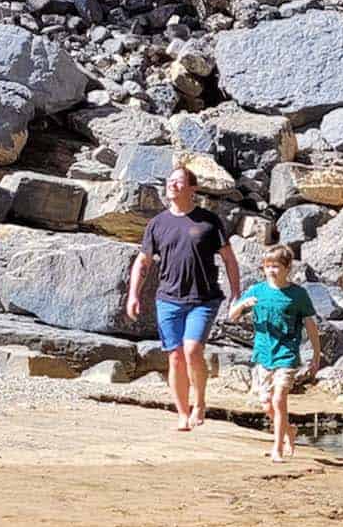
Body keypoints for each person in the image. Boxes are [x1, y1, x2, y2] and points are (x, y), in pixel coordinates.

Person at [127, 167, 240, 431]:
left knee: (192, 350)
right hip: (168, 298)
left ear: (193, 189)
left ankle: (199, 403)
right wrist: (134, 294)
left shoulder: (209, 222)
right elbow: (142, 262)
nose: (173, 186)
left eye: (179, 182)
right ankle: (182, 412)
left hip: (204, 298)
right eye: (170, 182)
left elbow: (229, 259)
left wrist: (236, 293)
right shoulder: (158, 223)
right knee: (175, 356)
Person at [228, 245, 323, 462]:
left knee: (280, 398)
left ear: (287, 268)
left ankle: (277, 449)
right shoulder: (257, 290)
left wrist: (316, 355)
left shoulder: (298, 294)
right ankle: (289, 431)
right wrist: (243, 304)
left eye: (276, 266)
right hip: (263, 354)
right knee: (266, 403)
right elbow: (231, 316)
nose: (271, 271)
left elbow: (310, 325)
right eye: (268, 266)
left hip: (287, 354)